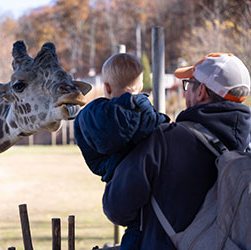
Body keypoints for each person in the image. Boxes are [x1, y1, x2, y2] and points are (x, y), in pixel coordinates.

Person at [102, 53, 251, 250]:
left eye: (189, 84)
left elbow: (117, 207)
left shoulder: (164, 141)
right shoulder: (246, 148)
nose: (185, 92)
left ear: (201, 92)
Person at [74, 53, 169, 250]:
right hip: (153, 197)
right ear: (141, 87)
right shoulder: (151, 120)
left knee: (135, 233)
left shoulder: (94, 118)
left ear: (106, 87)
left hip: (119, 192)